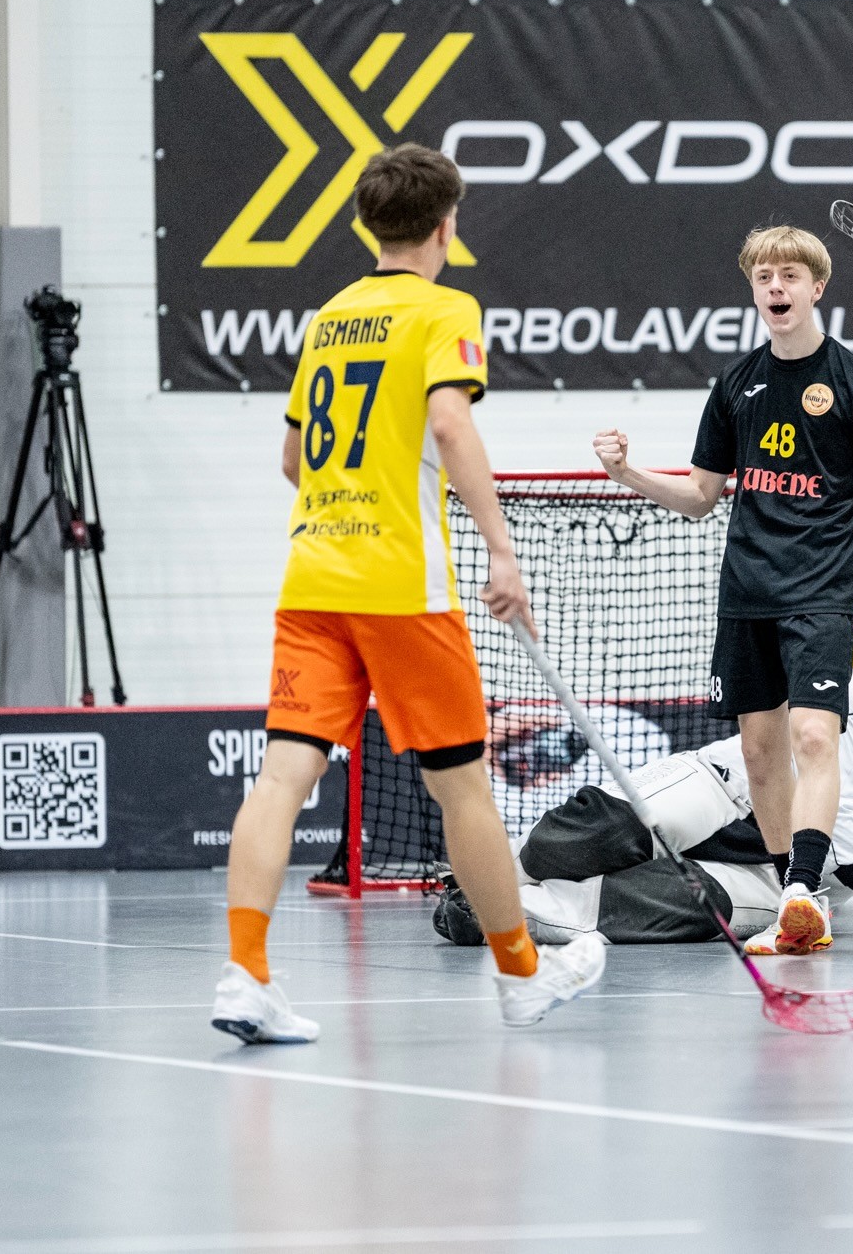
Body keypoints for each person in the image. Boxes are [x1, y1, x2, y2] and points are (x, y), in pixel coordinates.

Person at [211, 143, 606, 1044]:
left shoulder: (330, 315)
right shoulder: (444, 308)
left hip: (313, 578)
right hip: (403, 590)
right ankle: (521, 975)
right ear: (446, 227)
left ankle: (246, 972)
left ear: (366, 226)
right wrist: (501, 551)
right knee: (462, 787)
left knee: (282, 775)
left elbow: (292, 457)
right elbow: (450, 422)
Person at [430, 597, 853, 948]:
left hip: (781, 877)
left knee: (678, 911)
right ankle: (495, 870)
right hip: (730, 793)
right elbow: (840, 820)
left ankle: (492, 912)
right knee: (593, 832)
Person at [593, 226, 853, 956]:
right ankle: (792, 901)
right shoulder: (736, 383)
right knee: (760, 753)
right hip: (747, 592)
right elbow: (700, 496)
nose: (776, 287)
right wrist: (627, 474)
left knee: (815, 736)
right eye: (764, 277)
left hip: (823, 593)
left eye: (790, 276)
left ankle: (805, 889)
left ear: (817, 288)